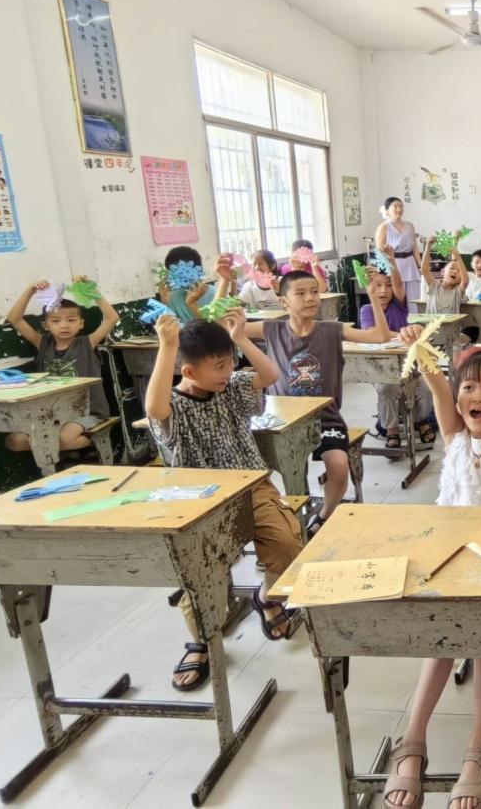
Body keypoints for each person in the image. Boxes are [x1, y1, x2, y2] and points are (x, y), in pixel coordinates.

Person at [381, 342, 481, 809]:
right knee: (440, 642)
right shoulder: (453, 436)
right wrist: (420, 350)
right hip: (453, 559)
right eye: (469, 387)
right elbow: (435, 385)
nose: (478, 396)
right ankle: (412, 741)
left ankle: (480, 744)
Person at [145, 311, 302, 690]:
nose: (229, 371)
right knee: (198, 573)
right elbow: (154, 409)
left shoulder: (230, 387)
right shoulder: (175, 407)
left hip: (251, 487)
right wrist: (167, 347)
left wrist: (241, 338)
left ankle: (266, 597)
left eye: (230, 362)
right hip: (202, 502)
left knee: (287, 541)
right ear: (188, 371)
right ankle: (201, 640)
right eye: (219, 366)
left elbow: (270, 375)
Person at [245, 269, 393, 528]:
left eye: (314, 292)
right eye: (301, 293)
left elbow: (379, 336)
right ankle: (285, 524)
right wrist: (224, 285)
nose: (310, 298)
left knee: (339, 467)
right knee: (270, 474)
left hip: (326, 419)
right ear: (283, 301)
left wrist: (372, 296)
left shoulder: (331, 330)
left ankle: (322, 518)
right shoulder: (271, 329)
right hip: (281, 422)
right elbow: (228, 328)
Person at [5, 278, 118, 453]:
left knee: (64, 438)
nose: (64, 325)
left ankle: (93, 441)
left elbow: (112, 318)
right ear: (46, 325)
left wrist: (90, 290)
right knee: (14, 442)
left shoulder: (87, 343)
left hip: (88, 412)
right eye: (56, 321)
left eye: (71, 320)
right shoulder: (42, 344)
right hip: (51, 412)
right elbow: (15, 319)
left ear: (81, 323)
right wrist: (30, 290)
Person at [357, 264, 435, 448]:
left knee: (425, 388)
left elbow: (398, 284)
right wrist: (402, 334)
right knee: (387, 389)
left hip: (410, 366)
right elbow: (373, 333)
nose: (383, 290)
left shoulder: (399, 305)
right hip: (384, 368)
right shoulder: (367, 309)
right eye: (377, 285)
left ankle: (420, 421)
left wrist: (391, 260)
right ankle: (391, 429)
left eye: (388, 285)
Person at [374, 196, 421, 301]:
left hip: (410, 264)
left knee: (413, 297)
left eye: (401, 206)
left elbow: (414, 247)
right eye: (395, 207)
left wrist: (420, 265)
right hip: (394, 264)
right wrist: (385, 271)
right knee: (397, 297)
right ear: (387, 210)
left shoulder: (410, 226)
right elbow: (380, 252)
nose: (399, 209)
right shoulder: (384, 227)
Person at [157, 245, 216, 320]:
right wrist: (164, 302)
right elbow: (167, 325)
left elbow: (218, 326)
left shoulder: (217, 294)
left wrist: (191, 304)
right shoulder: (173, 297)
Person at [419, 235, 467, 314]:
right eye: (452, 268)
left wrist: (457, 256)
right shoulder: (434, 286)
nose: (455, 272)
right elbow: (424, 270)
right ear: (443, 271)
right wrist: (428, 246)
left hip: (451, 323)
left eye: (459, 271)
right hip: (432, 322)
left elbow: (465, 281)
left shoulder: (457, 291)